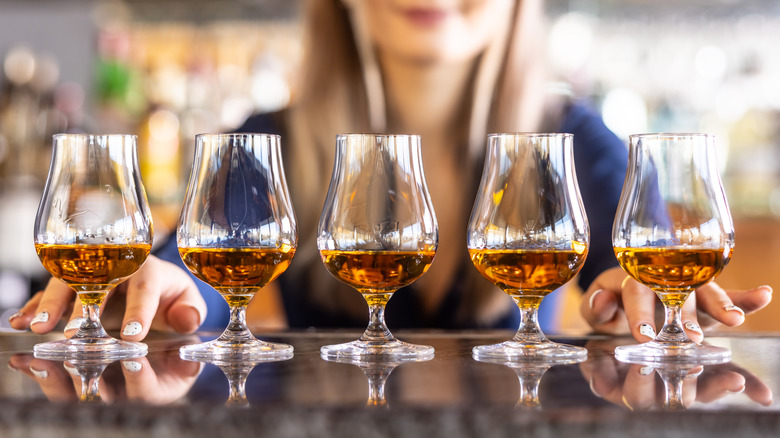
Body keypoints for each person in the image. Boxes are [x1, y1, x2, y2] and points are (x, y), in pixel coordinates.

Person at [9, 0, 771, 342]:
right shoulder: (268, 138)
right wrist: (158, 289)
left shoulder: (569, 137)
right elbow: (200, 275)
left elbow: (628, 255)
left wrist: (652, 295)